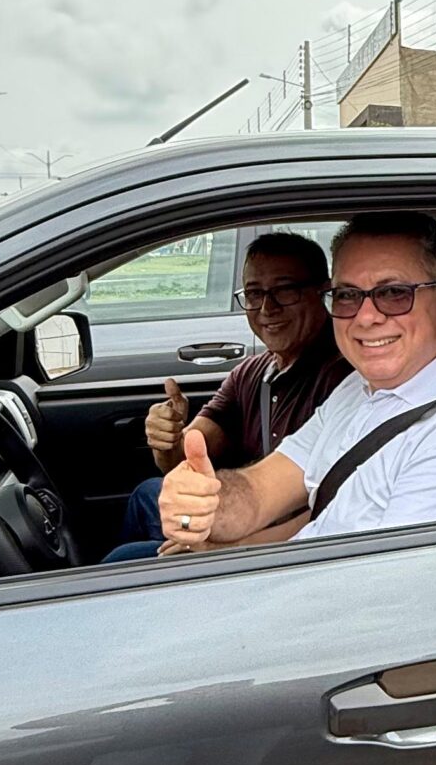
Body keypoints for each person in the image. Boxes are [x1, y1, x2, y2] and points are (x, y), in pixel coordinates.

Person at [157, 211, 436, 555]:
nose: (366, 317)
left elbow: (393, 579)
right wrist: (204, 501)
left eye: (394, 293)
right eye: (347, 295)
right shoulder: (359, 387)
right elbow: (259, 492)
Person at [112, 232, 346, 550]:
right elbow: (185, 461)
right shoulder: (249, 374)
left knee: (124, 557)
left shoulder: (343, 380)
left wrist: (224, 551)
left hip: (280, 545)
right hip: (233, 516)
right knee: (147, 494)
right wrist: (167, 438)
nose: (267, 307)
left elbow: (331, 509)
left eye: (285, 290)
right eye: (254, 294)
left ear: (323, 292)